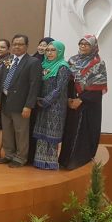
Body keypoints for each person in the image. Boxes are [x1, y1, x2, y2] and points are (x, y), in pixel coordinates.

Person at [59, 35, 108, 170]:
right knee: (70, 131)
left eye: (86, 44)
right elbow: (66, 81)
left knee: (83, 132)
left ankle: (79, 159)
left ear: (93, 46)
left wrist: (81, 99)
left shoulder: (98, 63)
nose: (83, 46)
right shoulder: (72, 60)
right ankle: (65, 160)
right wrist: (69, 99)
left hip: (88, 104)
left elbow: (98, 86)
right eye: (81, 44)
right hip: (71, 102)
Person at [0, 34, 42, 168]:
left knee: (21, 132)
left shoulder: (33, 62)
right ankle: (9, 154)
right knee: (7, 131)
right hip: (5, 102)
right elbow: (1, 81)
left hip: (21, 105)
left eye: (20, 44)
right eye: (14, 44)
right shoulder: (8, 60)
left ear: (26, 46)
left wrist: (28, 106)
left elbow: (34, 86)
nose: (16, 46)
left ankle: (21, 158)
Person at [33, 41, 70, 170]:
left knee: (51, 133)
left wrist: (46, 101)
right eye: (48, 50)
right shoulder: (43, 65)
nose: (49, 53)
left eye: (53, 50)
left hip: (55, 106)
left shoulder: (63, 67)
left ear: (59, 52)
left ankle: (50, 163)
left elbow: (60, 88)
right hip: (41, 104)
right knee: (41, 133)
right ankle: (40, 161)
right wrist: (37, 99)